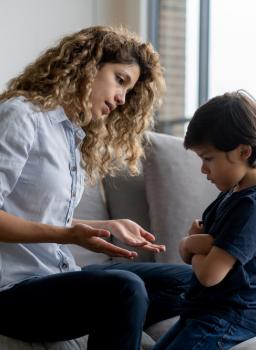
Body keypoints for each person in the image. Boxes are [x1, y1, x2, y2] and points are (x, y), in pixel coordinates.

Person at [0, 26, 191, 350]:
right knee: (124, 288)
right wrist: (69, 236)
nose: (121, 99)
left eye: (128, 91)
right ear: (87, 64)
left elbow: (36, 214)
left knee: (189, 283)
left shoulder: (71, 135)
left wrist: (104, 227)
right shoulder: (20, 116)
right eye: (120, 80)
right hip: (11, 290)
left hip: (54, 277)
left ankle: (118, 322)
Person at [153, 90, 256, 350]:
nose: (203, 169)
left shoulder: (255, 208)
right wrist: (202, 245)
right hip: (203, 313)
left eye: (208, 158)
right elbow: (198, 252)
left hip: (230, 319)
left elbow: (210, 274)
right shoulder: (233, 194)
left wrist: (192, 245)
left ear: (243, 151)